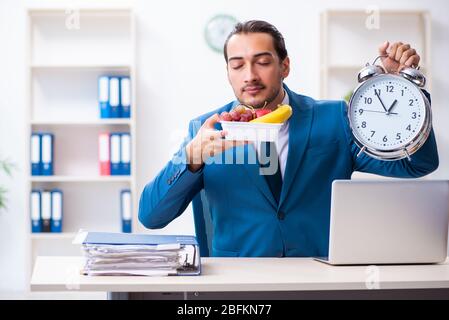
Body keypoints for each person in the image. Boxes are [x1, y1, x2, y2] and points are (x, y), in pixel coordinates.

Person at [138, 20, 438, 257]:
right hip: (239, 287)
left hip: (319, 281)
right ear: (228, 72)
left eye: (262, 62)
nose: (250, 75)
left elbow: (416, 165)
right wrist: (190, 158)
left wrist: (404, 89)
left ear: (285, 66)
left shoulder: (336, 118)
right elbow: (151, 217)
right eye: (238, 64)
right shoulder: (206, 130)